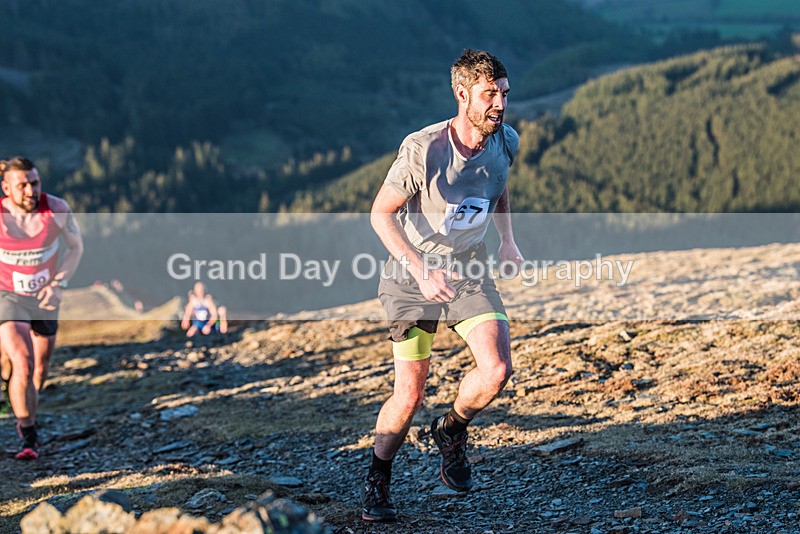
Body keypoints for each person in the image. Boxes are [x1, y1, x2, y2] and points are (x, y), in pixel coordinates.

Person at [361, 49, 525, 522]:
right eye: (490, 94)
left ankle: (451, 429)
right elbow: (380, 214)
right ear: (462, 94)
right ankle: (379, 474)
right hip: (411, 275)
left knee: (495, 370)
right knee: (409, 394)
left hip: (469, 268)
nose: (500, 104)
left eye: (505, 94)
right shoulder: (424, 148)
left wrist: (508, 240)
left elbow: (499, 185)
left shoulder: (505, 140)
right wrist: (420, 269)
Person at [0, 157, 84, 460]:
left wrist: (58, 283)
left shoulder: (57, 209)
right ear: (6, 187)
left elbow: (76, 248)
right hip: (7, 294)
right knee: (23, 360)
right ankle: (28, 434)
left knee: (39, 367)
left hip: (45, 296)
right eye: (22, 185)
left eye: (34, 183)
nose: (30, 190)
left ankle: (23, 398)